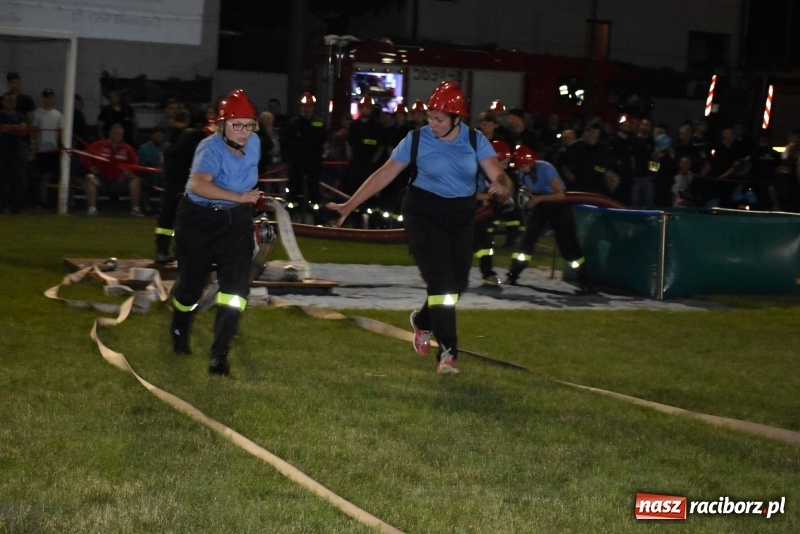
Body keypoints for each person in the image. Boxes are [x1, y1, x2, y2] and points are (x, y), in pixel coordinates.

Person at [327, 80, 512, 374]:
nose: (432, 123)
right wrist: (350, 204)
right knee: (440, 282)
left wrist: (501, 188)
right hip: (423, 212)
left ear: (456, 119)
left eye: (439, 119)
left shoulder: (476, 141)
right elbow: (385, 173)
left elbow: (500, 176)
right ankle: (448, 353)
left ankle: (424, 321)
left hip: (461, 215)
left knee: (457, 285)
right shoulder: (415, 139)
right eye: (430, 117)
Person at [170, 89, 262, 376]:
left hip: (235, 221)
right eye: (237, 124)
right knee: (192, 285)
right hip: (199, 220)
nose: (244, 132)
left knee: (235, 290)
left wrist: (244, 203)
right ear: (221, 125)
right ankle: (179, 328)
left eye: (249, 124)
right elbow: (198, 185)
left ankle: (219, 355)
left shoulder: (256, 142)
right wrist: (239, 197)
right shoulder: (210, 149)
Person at [503, 145, 593, 293]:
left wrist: (538, 199)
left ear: (532, 162)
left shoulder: (545, 169)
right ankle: (513, 274)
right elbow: (528, 188)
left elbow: (560, 194)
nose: (521, 169)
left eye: (523, 165)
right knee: (527, 240)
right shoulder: (521, 172)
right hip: (541, 205)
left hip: (559, 206)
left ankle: (584, 280)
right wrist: (526, 195)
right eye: (519, 166)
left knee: (568, 246)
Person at [154, 104, 217, 263]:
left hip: (196, 183)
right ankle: (162, 249)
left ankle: (189, 251)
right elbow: (173, 157)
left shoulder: (217, 141)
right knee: (170, 214)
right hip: (179, 181)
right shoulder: (194, 136)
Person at [81, 123, 144, 216]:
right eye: (116, 134)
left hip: (120, 181)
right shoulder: (99, 145)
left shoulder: (128, 149)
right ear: (110, 134)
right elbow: (84, 156)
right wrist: (91, 167)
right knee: (89, 178)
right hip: (102, 179)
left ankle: (135, 209)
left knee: (136, 180)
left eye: (120, 134)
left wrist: (127, 173)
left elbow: (136, 163)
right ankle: (92, 208)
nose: (118, 136)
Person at [474, 139, 513, 286]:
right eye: (503, 163)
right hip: (457, 207)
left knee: (484, 242)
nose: (505, 167)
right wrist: (490, 197)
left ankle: (487, 273)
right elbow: (468, 193)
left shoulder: (485, 170)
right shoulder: (473, 168)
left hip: (473, 210)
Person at [284, 92, 326, 209]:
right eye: (305, 107)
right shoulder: (293, 123)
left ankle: (315, 208)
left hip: (313, 161)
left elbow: (323, 141)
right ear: (301, 107)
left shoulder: (319, 124)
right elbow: (287, 142)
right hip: (297, 160)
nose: (307, 109)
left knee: (314, 186)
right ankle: (292, 208)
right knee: (294, 185)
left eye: (310, 107)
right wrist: (289, 158)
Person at [34, 88, 64, 209]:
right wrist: (33, 142)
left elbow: (61, 133)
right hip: (42, 150)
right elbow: (34, 130)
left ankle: (57, 201)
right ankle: (43, 201)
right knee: (44, 176)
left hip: (54, 149)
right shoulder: (38, 113)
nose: (48, 99)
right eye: (46, 97)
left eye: (50, 97)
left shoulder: (59, 115)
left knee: (56, 176)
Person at [0, 92, 28, 214]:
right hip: (2, 150)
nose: (10, 103)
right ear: (3, 102)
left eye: (13, 101)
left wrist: (9, 128)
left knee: (16, 179)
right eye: (8, 101)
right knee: (2, 179)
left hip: (16, 151)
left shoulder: (20, 116)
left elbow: (24, 130)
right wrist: (14, 128)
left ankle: (15, 207)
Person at [137, 126, 170, 210]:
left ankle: (162, 207)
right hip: (150, 174)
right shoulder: (144, 148)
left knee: (171, 181)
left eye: (160, 136)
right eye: (156, 135)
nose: (158, 138)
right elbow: (141, 164)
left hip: (164, 174)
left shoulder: (169, 148)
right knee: (144, 180)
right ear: (152, 136)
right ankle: (147, 206)